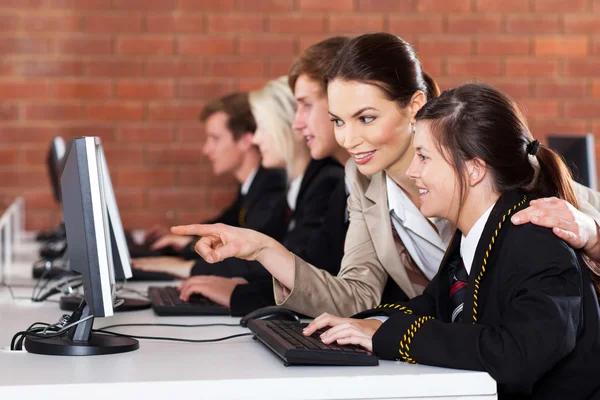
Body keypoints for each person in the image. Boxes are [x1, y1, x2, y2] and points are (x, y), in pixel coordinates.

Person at [172, 33, 600, 318]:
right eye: (339, 120)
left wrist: (591, 232)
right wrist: (263, 249)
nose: (349, 139)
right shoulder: (361, 180)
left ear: (414, 106)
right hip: (464, 349)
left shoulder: (477, 155)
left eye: (367, 117)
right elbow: (356, 294)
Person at [301, 83, 600, 399]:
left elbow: (517, 354)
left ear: (473, 170)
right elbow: (432, 306)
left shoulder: (534, 242)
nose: (413, 171)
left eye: (423, 157)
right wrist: (364, 325)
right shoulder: (478, 235)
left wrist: (391, 336)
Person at [178, 37, 352, 315]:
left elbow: (318, 274)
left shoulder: (329, 181)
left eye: (306, 106)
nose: (256, 139)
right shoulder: (323, 182)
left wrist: (238, 292)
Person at [136, 77, 344, 280]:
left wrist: (190, 267)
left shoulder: (319, 182)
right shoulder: (300, 183)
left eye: (262, 126)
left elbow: (297, 268)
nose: (256, 138)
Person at [133, 92, 287, 275]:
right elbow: (226, 222)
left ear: (246, 140)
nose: (206, 150)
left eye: (215, 138)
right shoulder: (252, 185)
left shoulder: (272, 186)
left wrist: (187, 251)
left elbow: (250, 257)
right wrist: (185, 238)